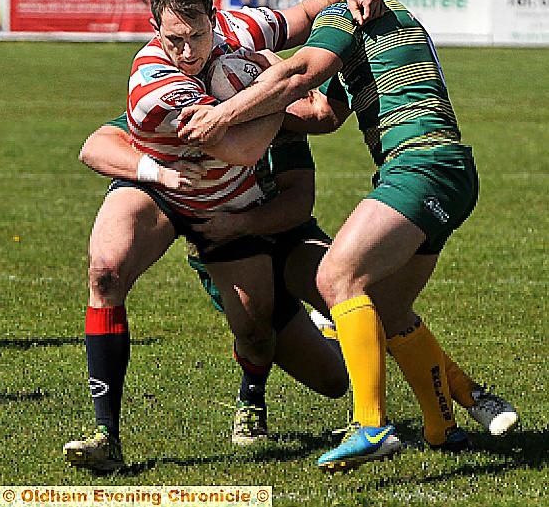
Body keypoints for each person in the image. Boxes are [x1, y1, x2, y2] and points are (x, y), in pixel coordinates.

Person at [178, 0, 518, 470]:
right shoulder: (386, 13)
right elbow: (322, 112)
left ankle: (371, 425)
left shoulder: (344, 11)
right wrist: (267, 99)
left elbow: (298, 78)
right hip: (451, 170)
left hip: (420, 164)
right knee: (386, 304)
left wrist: (223, 115)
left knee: (337, 275)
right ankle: (445, 423)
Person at [62, 0, 382, 471]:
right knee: (105, 269)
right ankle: (106, 435)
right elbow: (243, 145)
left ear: (215, 19)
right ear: (153, 28)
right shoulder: (153, 83)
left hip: (227, 202)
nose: (187, 53)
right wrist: (273, 84)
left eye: (196, 37)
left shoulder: (241, 28)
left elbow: (300, 17)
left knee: (257, 329)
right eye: (173, 40)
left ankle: (253, 393)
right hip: (163, 186)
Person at [83, 112, 519, 451]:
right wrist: (155, 176)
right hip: (227, 249)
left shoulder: (275, 116)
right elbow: (99, 144)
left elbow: (298, 200)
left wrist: (243, 222)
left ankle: (466, 393)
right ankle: (252, 395)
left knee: (359, 293)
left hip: (284, 238)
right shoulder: (188, 107)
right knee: (314, 368)